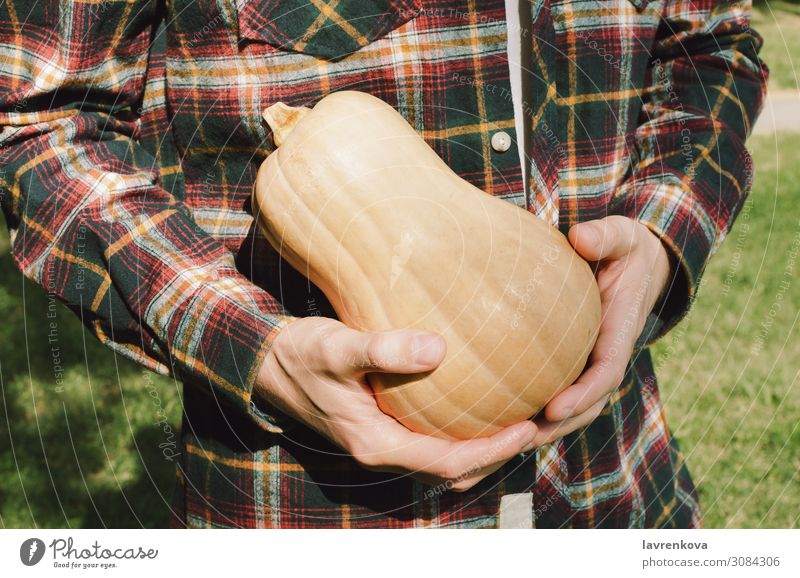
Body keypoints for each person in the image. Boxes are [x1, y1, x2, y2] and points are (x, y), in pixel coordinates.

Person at [0, 0, 767, 528]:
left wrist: (663, 234)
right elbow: (44, 126)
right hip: (309, 513)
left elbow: (711, 45)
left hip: (617, 492)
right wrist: (258, 349)